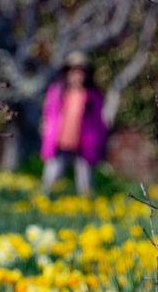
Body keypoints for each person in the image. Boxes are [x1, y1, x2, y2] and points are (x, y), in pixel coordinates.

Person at [40, 51, 108, 196]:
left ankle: (86, 209)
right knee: (51, 178)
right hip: (59, 143)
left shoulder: (93, 95)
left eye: (81, 72)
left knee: (85, 182)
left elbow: (98, 122)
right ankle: (44, 202)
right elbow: (48, 114)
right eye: (73, 71)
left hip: (84, 145)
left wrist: (98, 143)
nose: (77, 76)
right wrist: (47, 131)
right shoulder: (57, 91)